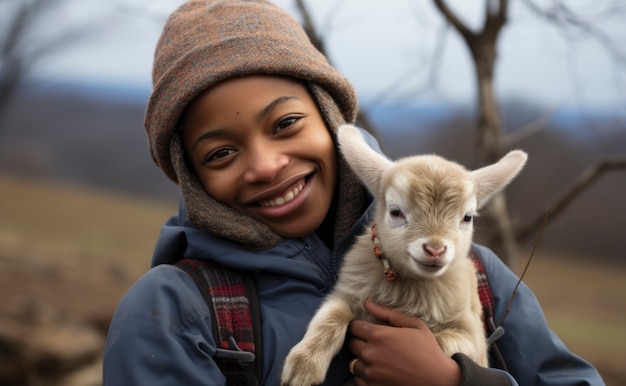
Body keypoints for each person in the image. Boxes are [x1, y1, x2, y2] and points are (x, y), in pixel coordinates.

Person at [102, 1, 605, 385]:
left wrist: (459, 380)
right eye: (220, 153)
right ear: (192, 176)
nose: (265, 166)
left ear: (330, 117)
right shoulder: (174, 311)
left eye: (287, 122)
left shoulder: (477, 278)